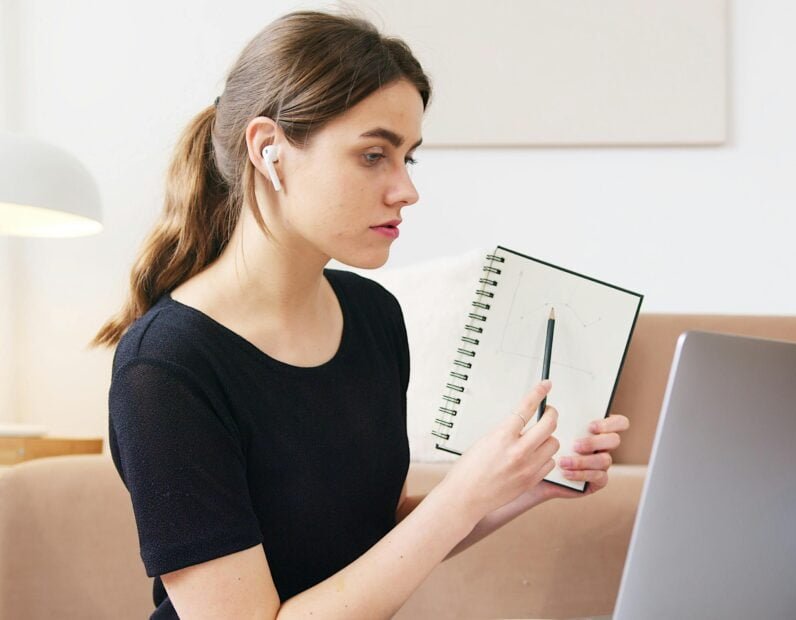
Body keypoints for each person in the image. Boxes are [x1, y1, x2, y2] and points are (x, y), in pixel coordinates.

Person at [92, 10, 630, 619]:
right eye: (374, 155)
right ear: (269, 150)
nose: (406, 190)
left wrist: (523, 485)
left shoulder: (373, 316)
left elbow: (373, 538)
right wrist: (466, 492)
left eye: (409, 159)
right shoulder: (165, 369)